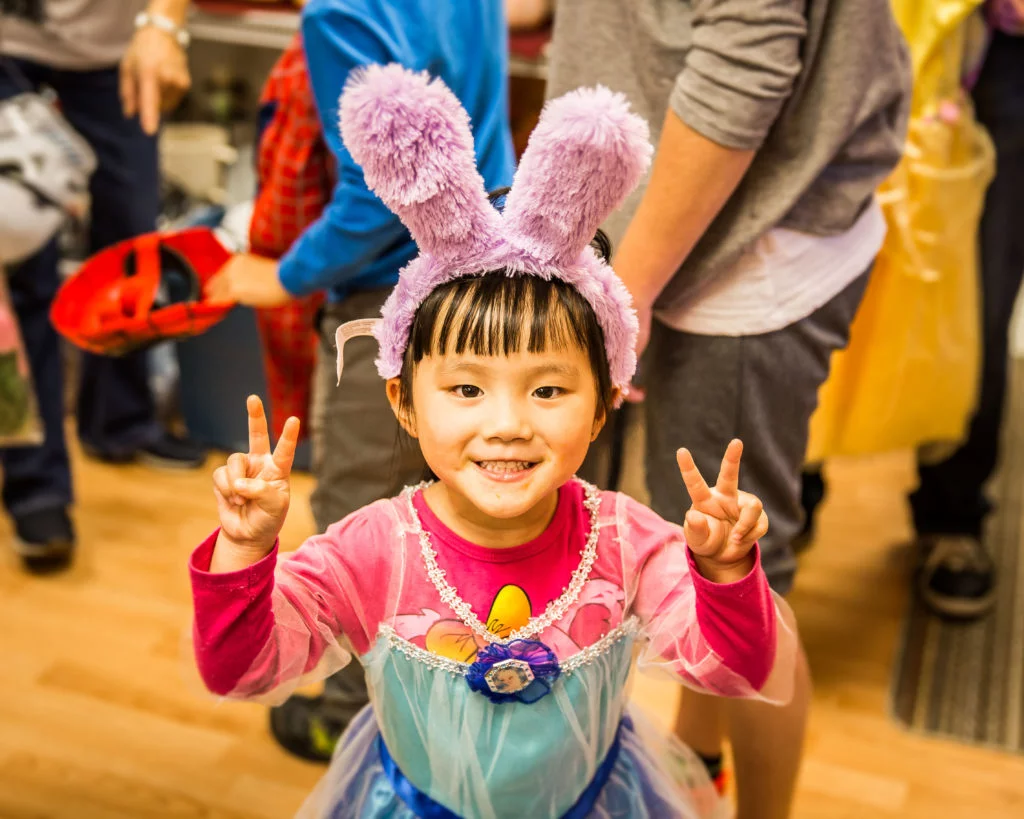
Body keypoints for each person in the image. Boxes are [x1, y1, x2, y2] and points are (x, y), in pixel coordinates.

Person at [188, 66, 798, 818]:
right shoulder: (372, 549)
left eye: (547, 389)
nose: (507, 423)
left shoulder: (628, 543)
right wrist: (244, 551)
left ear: (605, 402)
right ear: (404, 403)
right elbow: (238, 670)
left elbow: (738, 669)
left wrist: (725, 568)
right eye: (466, 389)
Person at [541, 1, 912, 816]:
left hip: (738, 249)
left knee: (744, 587)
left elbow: (743, 67)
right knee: (700, 549)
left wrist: (622, 300)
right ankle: (700, 764)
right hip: (683, 240)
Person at [206, 0, 516, 761]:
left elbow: (379, 191)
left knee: (360, 512)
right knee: (454, 504)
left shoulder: (340, 12)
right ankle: (462, 675)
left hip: (389, 296)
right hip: (485, 256)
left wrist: (284, 275)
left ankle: (354, 714)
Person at [802, 4, 1024, 621]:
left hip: (992, 61)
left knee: (975, 301)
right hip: (842, 30)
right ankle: (785, 502)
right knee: (814, 275)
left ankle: (954, 513)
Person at [0, 0, 204, 571]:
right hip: (9, 48)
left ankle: (119, 423)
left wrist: (166, 23)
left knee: (132, 253)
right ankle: (33, 485)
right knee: (18, 275)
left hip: (117, 49)